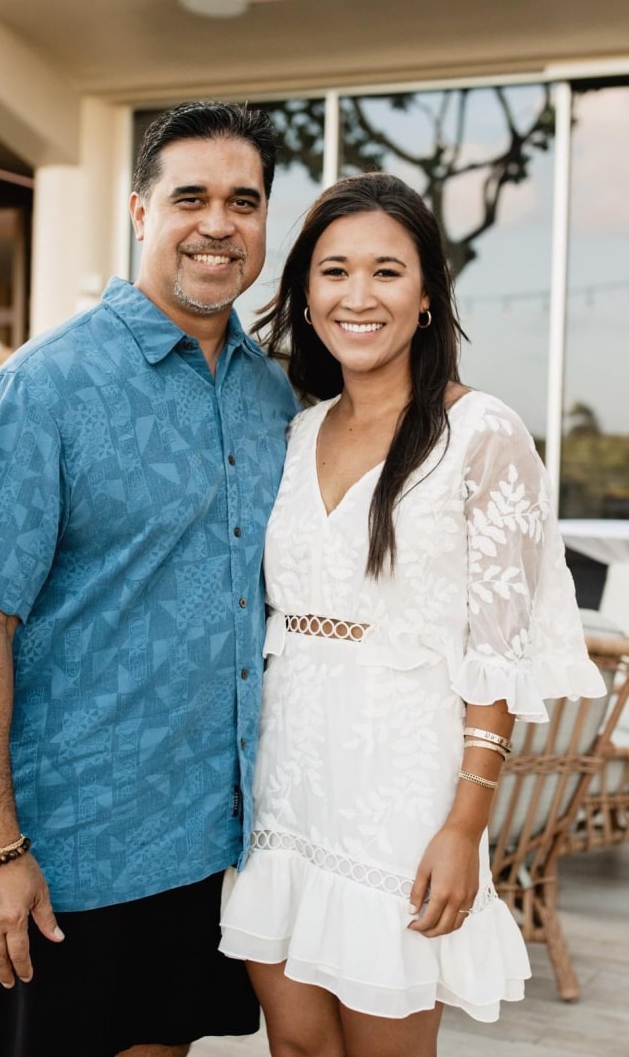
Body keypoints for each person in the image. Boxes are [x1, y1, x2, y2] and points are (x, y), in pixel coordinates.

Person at [0, 101, 299, 1057]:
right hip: (63, 856)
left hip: (198, 845)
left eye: (244, 201)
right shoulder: (44, 386)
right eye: (192, 197)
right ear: (140, 213)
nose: (219, 222)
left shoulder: (271, 395)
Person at [218, 172, 606, 1057]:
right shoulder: (295, 432)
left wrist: (466, 825)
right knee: (299, 1045)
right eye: (334, 271)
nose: (359, 296)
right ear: (306, 294)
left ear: (428, 293)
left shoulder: (483, 434)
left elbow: (497, 652)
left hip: (402, 792)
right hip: (285, 777)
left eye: (387, 272)